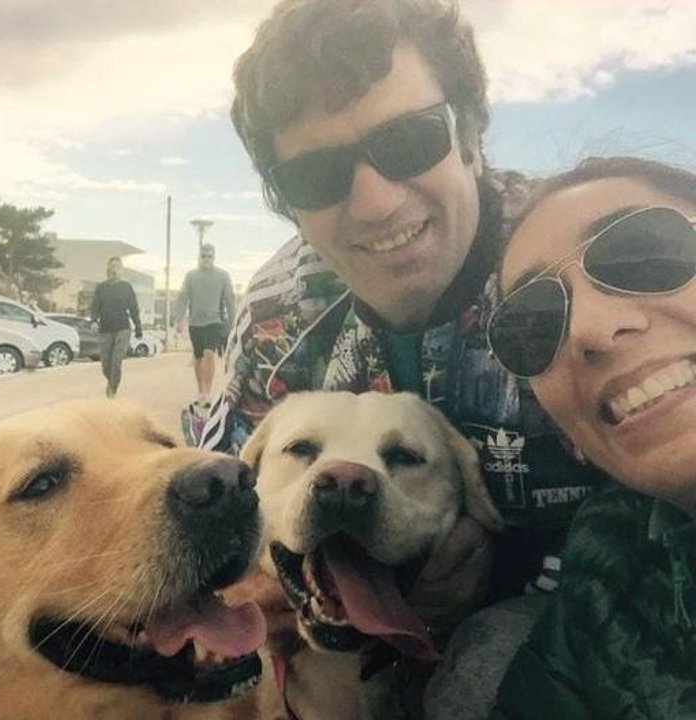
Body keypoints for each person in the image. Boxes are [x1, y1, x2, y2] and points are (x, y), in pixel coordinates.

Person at [198, 0, 608, 699]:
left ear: (470, 135)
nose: (376, 203)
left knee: (487, 664)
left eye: (409, 140)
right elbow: (219, 512)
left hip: (578, 642)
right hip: (340, 666)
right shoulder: (275, 313)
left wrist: (505, 570)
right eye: (316, 176)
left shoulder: (588, 265)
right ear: (288, 205)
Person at [485, 157, 696, 719]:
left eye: (644, 253)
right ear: (568, 436)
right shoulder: (600, 580)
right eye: (533, 325)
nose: (589, 328)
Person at [173, 243, 236, 407]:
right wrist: (179, 320)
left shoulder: (223, 276)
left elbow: (230, 299)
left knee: (209, 354)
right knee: (199, 357)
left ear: (213, 258)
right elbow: (182, 298)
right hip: (195, 323)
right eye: (203, 256)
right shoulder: (190, 276)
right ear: (199, 257)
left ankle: (207, 392)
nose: (206, 259)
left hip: (214, 322)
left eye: (209, 256)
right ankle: (200, 390)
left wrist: (233, 321)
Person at [89, 256, 142, 398]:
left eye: (117, 266)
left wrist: (138, 328)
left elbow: (134, 309)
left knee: (117, 360)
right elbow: (94, 307)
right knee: (106, 365)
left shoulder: (126, 287)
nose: (114, 269)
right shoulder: (101, 288)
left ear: (121, 269)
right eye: (112, 266)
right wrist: (93, 321)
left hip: (123, 328)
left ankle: (112, 391)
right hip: (105, 329)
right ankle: (111, 383)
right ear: (108, 269)